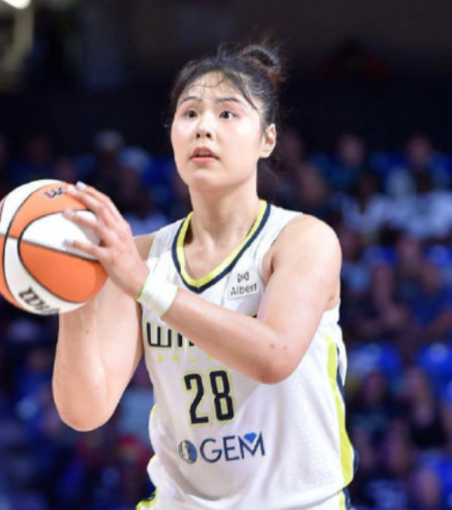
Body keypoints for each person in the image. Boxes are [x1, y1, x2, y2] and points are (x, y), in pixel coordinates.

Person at [53, 42, 356, 510]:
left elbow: (274, 356)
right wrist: (72, 294)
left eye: (228, 114)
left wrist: (147, 286)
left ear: (267, 140)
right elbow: (85, 411)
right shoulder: (139, 257)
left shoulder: (302, 239)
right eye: (189, 113)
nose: (204, 127)